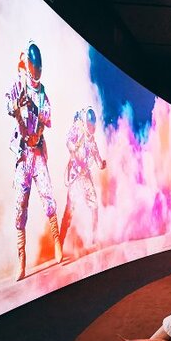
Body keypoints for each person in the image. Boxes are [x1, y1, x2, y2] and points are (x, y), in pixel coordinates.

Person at [6, 40, 62, 280]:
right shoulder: (18, 85)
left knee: (49, 198)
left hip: (37, 152)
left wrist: (36, 117)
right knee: (20, 207)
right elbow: (8, 104)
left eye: (38, 67)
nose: (36, 71)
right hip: (23, 155)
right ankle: (22, 260)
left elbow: (47, 118)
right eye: (33, 66)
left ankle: (58, 242)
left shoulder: (42, 93)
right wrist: (18, 106)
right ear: (28, 65)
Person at [59, 107, 107, 254]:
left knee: (94, 205)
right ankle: (59, 243)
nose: (92, 126)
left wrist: (102, 164)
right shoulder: (77, 130)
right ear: (85, 121)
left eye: (93, 123)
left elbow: (98, 159)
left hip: (85, 176)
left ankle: (94, 237)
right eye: (90, 122)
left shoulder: (92, 141)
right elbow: (68, 141)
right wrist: (74, 149)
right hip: (75, 177)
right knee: (69, 211)